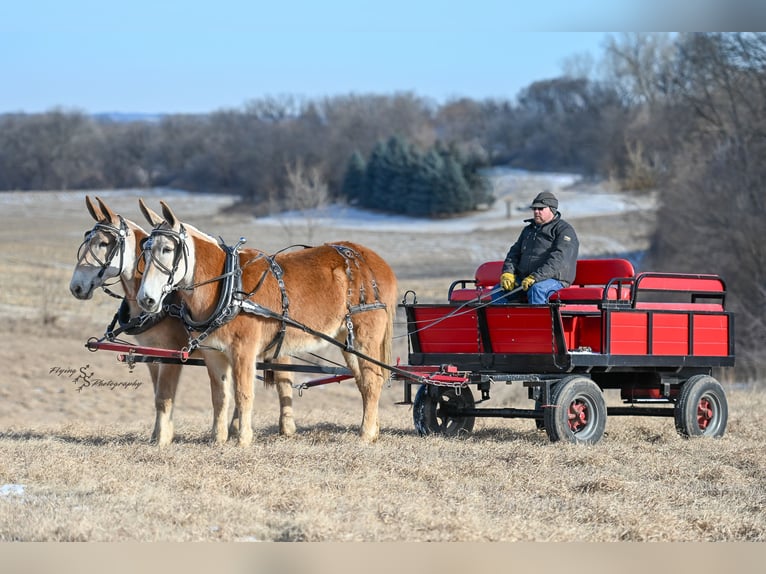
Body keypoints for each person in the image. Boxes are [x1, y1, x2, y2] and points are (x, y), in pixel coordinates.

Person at [495, 190, 579, 304]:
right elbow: (513, 254)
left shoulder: (564, 230)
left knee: (537, 289)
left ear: (552, 209)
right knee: (498, 290)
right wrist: (508, 273)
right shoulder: (528, 230)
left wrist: (536, 277)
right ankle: (506, 321)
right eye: (534, 209)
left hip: (554, 279)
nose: (536, 212)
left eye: (540, 209)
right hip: (526, 280)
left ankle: (539, 322)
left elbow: (559, 260)